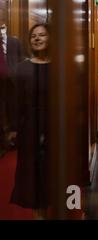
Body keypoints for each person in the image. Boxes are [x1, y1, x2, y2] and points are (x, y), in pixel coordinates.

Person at [9, 24, 50, 219]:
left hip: (55, 126)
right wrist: (14, 128)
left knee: (52, 174)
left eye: (42, 35)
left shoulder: (60, 67)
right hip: (31, 128)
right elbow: (15, 102)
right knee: (33, 177)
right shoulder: (21, 68)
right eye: (34, 36)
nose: (37, 38)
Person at [0, 23, 25, 152]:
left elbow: (22, 59)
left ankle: (14, 139)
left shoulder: (15, 42)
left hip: (14, 84)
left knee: (14, 109)